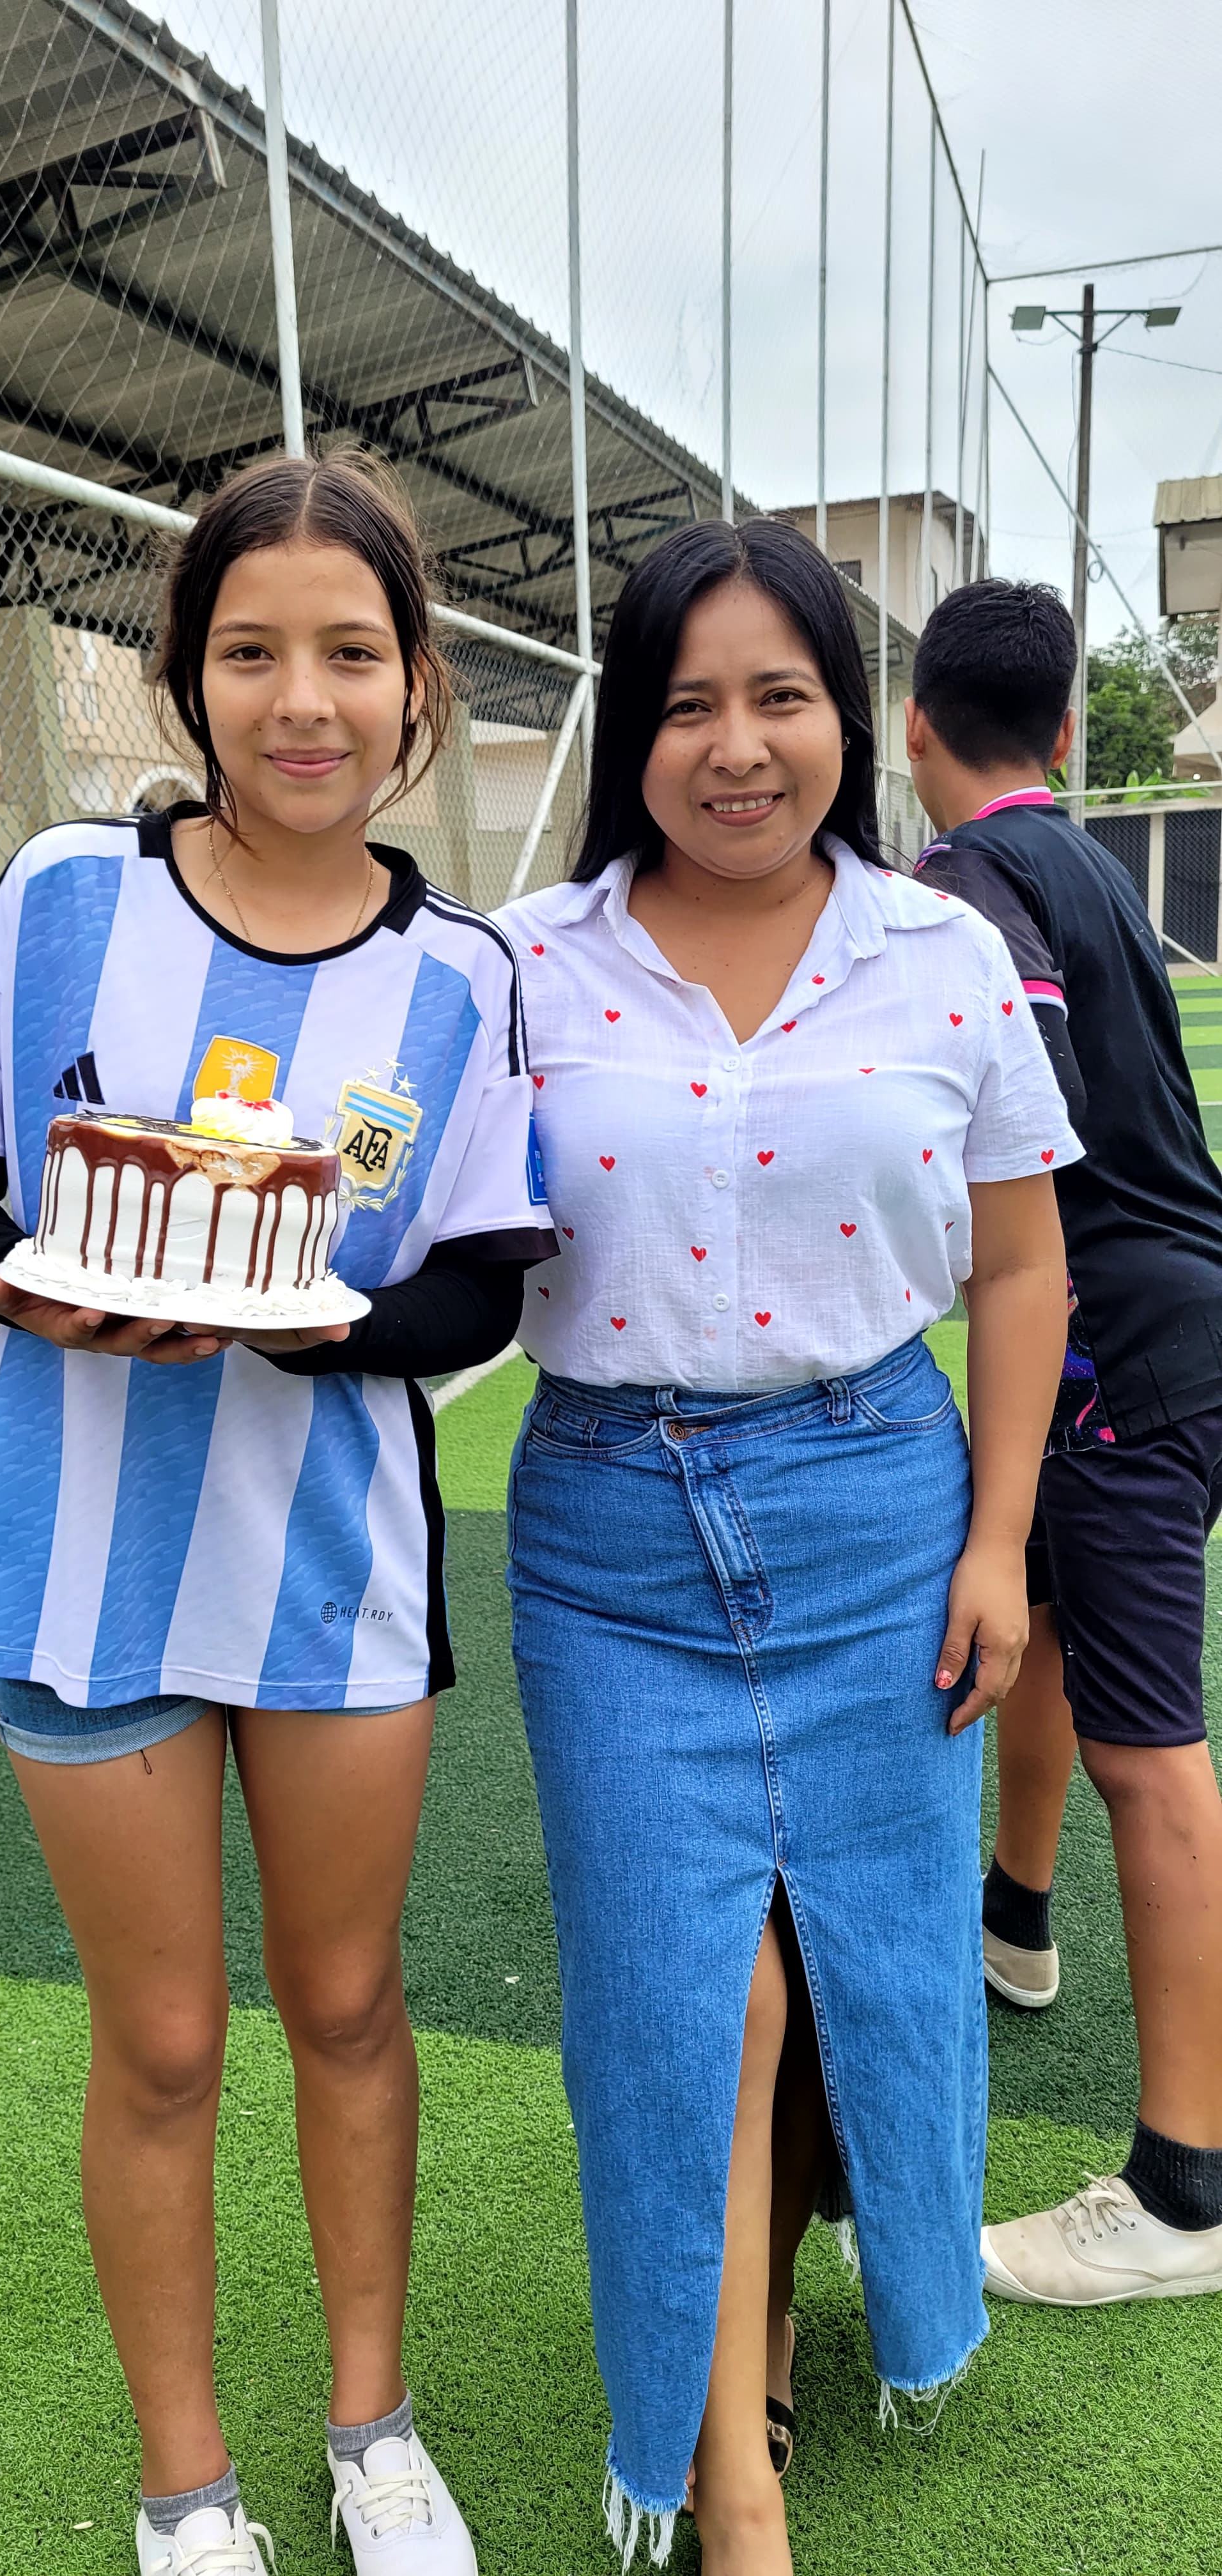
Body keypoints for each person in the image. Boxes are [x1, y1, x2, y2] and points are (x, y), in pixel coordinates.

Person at [0, 452, 554, 2576]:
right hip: (80, 1567)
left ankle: (374, 2436)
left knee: (346, 2008)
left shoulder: (462, 978)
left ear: (418, 683)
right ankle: (189, 2492)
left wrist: (295, 1321)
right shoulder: (66, 893)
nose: (301, 701)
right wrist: (35, 1287)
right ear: (185, 676)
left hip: (335, 1582)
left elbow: (474, 1283)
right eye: (251, 652)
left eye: (349, 653)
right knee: (161, 2043)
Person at [498, 518, 1074, 2573]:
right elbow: (398, 1211)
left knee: (868, 1974)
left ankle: (779, 2330)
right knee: (687, 2002)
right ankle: (727, 2471)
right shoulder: (523, 962)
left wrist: (998, 1544)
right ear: (628, 734)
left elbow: (1021, 1266)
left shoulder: (940, 954)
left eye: (779, 697)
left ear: (853, 713)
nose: (733, 747)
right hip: (606, 1541)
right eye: (684, 706)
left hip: (877, 1517)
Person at [907, 577, 1222, 2304]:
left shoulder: (967, 880)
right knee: (1027, 1610)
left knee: (1148, 1752)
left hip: (1115, 1352)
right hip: (1171, 1321)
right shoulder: (1085, 858)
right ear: (1061, 728)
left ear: (910, 725)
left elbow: (1011, 1121)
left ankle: (1187, 2192)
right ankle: (1013, 1925)